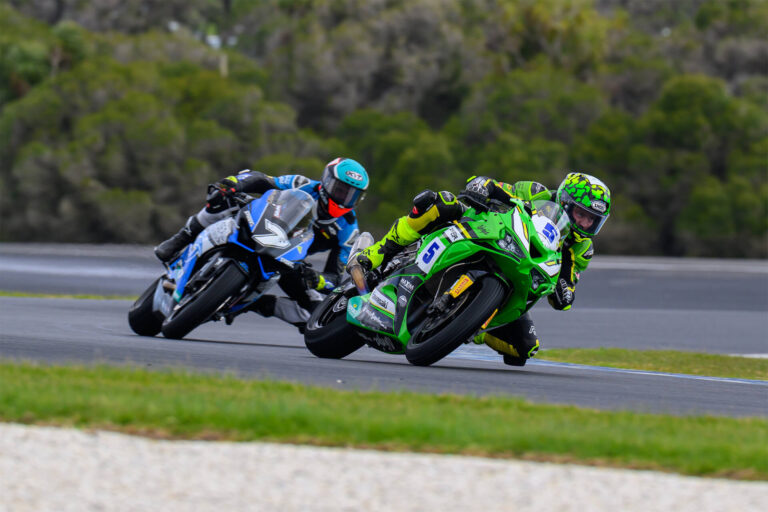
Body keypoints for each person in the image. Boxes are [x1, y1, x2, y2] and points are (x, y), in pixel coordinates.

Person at [353, 172, 611, 366]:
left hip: (519, 274)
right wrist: (483, 186)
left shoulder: (582, 249)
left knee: (524, 349)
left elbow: (568, 280)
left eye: (592, 220)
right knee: (440, 203)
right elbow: (497, 187)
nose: (584, 223)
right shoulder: (536, 193)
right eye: (580, 214)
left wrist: (565, 292)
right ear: (564, 201)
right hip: (488, 231)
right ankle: (376, 255)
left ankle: (472, 326)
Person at [154, 157, 370, 332]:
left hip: (289, 259)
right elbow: (262, 180)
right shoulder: (302, 184)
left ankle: (258, 304)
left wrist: (316, 279)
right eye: (340, 189)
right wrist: (233, 183)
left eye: (352, 195)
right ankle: (181, 238)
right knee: (224, 200)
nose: (343, 198)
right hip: (262, 226)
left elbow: (335, 277)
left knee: (317, 315)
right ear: (326, 181)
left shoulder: (349, 230)